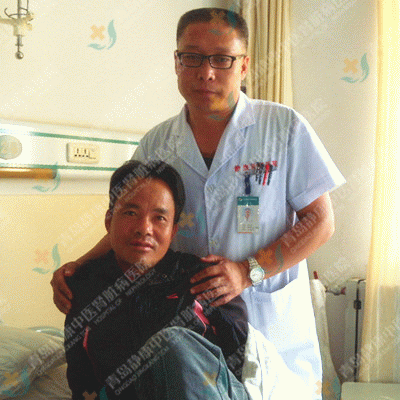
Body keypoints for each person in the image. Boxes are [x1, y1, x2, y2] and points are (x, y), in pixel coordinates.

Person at [53, 8, 345, 399]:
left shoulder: (283, 128)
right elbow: (136, 224)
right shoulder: (157, 143)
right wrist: (78, 267)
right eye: (192, 57)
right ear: (177, 63)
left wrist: (248, 271)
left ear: (243, 66)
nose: (205, 72)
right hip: (190, 327)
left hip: (269, 327)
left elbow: (320, 221)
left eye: (222, 59)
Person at [64, 160, 249, 400]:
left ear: (173, 231)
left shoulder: (204, 279)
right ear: (109, 221)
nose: (144, 229)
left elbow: (240, 373)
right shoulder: (86, 287)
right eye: (131, 213)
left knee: (173, 343)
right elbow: (82, 385)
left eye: (159, 218)